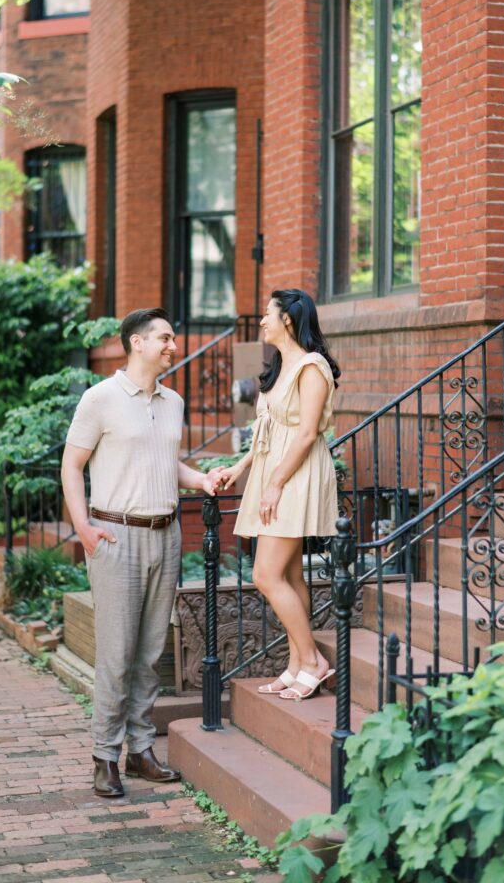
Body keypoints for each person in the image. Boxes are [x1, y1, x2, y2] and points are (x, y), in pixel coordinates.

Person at [61, 308, 224, 798]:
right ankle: (104, 756)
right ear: (136, 343)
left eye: (172, 338)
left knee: (151, 653)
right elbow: (72, 466)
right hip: (114, 537)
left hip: (165, 534)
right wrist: (83, 529)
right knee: (117, 652)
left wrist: (201, 480)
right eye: (166, 338)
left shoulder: (171, 401)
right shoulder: (100, 398)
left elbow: (164, 460)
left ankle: (140, 750)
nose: (173, 346)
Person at [221, 289, 340, 700]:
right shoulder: (277, 369)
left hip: (296, 473)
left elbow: (307, 432)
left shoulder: (311, 366)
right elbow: (264, 433)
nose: (261, 322)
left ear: (288, 319)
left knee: (265, 574)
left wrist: (275, 485)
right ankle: (294, 664)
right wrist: (239, 467)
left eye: (267, 314)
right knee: (289, 574)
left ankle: (312, 662)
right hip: (273, 470)